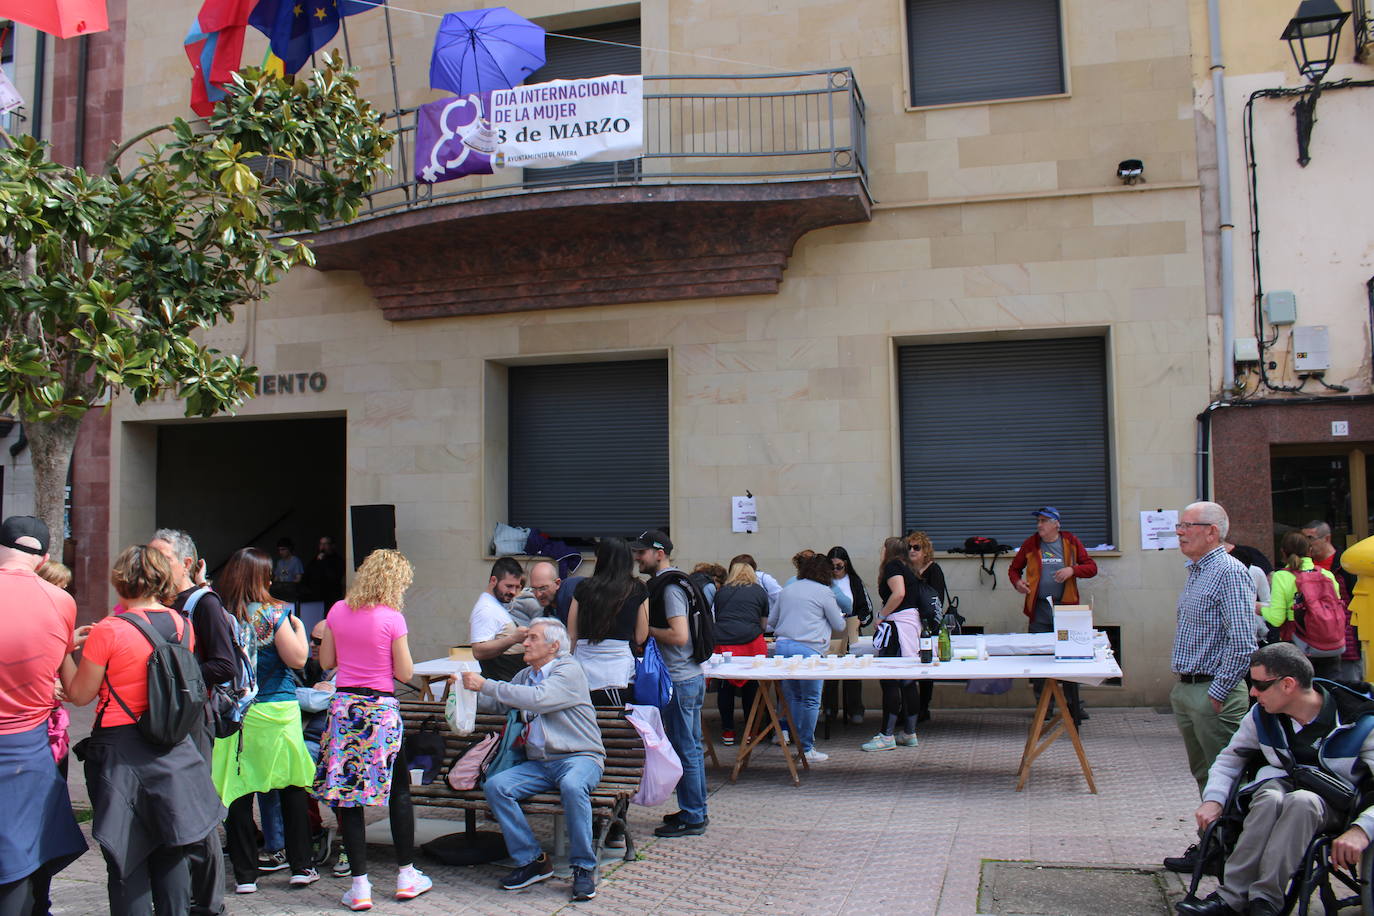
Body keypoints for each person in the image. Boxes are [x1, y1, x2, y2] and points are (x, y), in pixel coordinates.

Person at [65, 545, 223, 916]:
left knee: (127, 859)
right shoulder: (181, 625)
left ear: (120, 581)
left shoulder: (110, 629)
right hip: (171, 749)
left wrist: (64, 653)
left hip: (121, 753)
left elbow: (79, 694)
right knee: (170, 850)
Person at [1175, 643, 1374, 916]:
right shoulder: (1261, 715)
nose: (1253, 692)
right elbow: (1230, 758)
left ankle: (1265, 902)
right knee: (1269, 796)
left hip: (1334, 806)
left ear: (1288, 684)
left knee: (1302, 801)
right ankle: (1232, 898)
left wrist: (1361, 830)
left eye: (1259, 684)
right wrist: (1214, 800)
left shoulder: (1360, 721)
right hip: (1280, 792)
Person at [313, 549, 430, 910]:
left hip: (346, 707)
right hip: (380, 709)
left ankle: (360, 886)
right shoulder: (392, 618)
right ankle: (406, 875)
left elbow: (327, 661)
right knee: (398, 792)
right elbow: (406, 673)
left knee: (349, 797)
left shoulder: (336, 610)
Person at [460, 617, 604, 902]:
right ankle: (532, 861)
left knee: (573, 787)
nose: (524, 642)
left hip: (580, 757)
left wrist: (486, 684)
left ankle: (583, 868)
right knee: (497, 786)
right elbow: (500, 702)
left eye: (532, 638)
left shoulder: (569, 670)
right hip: (540, 763)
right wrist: (463, 691)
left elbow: (538, 699)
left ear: (554, 646)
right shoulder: (526, 675)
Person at [211, 548, 318, 894]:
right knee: (289, 786)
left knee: (238, 792)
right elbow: (298, 658)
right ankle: (301, 865)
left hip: (236, 712)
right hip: (276, 708)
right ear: (265, 578)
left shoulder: (221, 613)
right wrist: (299, 629)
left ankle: (244, 874)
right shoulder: (275, 613)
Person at [1162, 501, 1260, 876]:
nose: (1180, 531)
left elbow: (1242, 643)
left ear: (1212, 532)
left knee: (1228, 778)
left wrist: (1218, 692)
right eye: (1179, 524)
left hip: (1213, 692)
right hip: (1188, 689)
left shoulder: (1229, 572)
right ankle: (1214, 847)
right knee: (1206, 776)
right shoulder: (1197, 571)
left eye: (1188, 525)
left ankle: (1235, 856)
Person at [0, 517, 86, 916]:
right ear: (46, 557)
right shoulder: (61, 601)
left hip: (24, 743)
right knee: (20, 852)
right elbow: (66, 679)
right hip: (27, 747)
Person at [148, 528, 235, 916]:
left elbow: (223, 664)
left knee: (196, 807)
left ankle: (208, 900)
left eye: (160, 556)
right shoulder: (158, 602)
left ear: (185, 563)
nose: (150, 562)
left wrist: (176, 677)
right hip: (165, 719)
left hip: (193, 719)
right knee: (172, 807)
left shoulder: (204, 603)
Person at [634, 529, 708, 838]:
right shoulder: (680, 581)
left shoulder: (669, 588)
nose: (637, 557)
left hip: (679, 679)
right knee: (690, 746)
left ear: (659, 553)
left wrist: (646, 629)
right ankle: (693, 809)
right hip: (689, 676)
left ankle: (694, 815)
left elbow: (679, 636)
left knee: (685, 748)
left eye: (642, 552)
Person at [1008, 507, 1098, 723]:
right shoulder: (1031, 543)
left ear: (1056, 524)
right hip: (1039, 608)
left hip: (1066, 609)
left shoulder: (1070, 542)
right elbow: (1013, 569)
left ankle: (1074, 706)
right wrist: (1018, 583)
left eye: (1044, 521)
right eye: (1038, 521)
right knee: (1039, 657)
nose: (1039, 525)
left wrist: (1072, 570)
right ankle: (1044, 706)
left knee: (1070, 657)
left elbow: (1092, 568)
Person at [769, 553, 845, 763]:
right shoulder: (825, 592)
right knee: (811, 700)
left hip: (783, 647)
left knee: (792, 697)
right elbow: (839, 625)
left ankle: (795, 740)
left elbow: (772, 622)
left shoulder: (788, 589)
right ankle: (806, 747)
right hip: (809, 649)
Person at [862, 536, 934, 752]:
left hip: (898, 627)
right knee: (908, 680)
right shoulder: (909, 567)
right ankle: (909, 732)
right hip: (912, 627)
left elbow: (899, 593)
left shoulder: (893, 566)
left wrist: (881, 615)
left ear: (888, 550)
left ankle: (886, 735)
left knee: (890, 680)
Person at [567, 540, 648, 707]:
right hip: (621, 675)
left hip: (583, 674)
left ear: (600, 559)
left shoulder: (583, 587)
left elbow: (572, 635)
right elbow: (641, 636)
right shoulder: (638, 588)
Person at [1263, 532, 1345, 680]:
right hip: (1330, 643)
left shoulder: (1281, 576)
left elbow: (1276, 619)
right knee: (1331, 690)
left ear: (1283, 552)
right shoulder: (1327, 575)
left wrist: (1259, 609)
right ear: (1310, 551)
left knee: (1301, 692)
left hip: (1297, 645)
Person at [713, 555, 770, 745]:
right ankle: (749, 731)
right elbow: (763, 623)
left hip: (724, 642)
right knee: (751, 688)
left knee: (725, 687)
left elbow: (718, 616)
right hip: (751, 642)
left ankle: (728, 731)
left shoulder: (721, 592)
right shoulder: (759, 592)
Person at [906, 532, 946, 724]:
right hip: (907, 625)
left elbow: (937, 599)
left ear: (925, 551)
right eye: (909, 547)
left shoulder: (933, 570)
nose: (912, 551)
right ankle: (909, 707)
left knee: (925, 665)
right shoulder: (904, 569)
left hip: (927, 625)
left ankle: (923, 707)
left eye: (916, 547)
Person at [469, 556, 528, 682]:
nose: (513, 592)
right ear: (493, 580)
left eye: (517, 587)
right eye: (509, 586)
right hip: (500, 685)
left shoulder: (497, 604)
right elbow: (478, 651)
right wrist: (513, 639)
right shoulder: (486, 609)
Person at [300, 536, 345, 632]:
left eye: (326, 544)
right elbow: (306, 576)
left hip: (331, 598)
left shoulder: (338, 561)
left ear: (332, 546)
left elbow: (334, 577)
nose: (323, 547)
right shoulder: (315, 560)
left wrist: (323, 562)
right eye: (321, 544)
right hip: (315, 598)